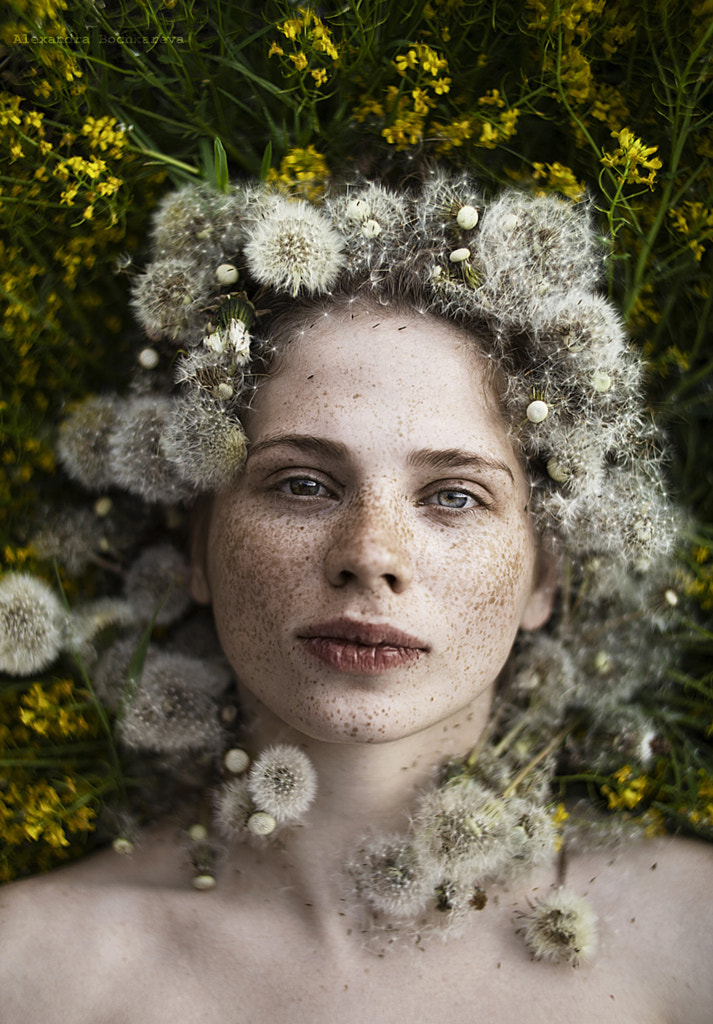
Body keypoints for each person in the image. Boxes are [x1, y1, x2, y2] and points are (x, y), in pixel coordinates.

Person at [1, 170, 712, 1023]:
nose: (370, 558)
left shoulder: (688, 945)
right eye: (302, 484)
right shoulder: (35, 971)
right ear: (196, 541)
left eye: (454, 495)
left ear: (545, 574)